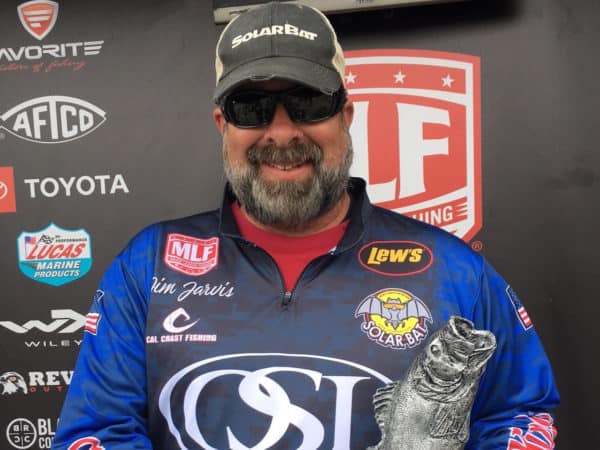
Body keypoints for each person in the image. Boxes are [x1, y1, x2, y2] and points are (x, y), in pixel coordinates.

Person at [52, 2, 559, 449]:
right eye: (251, 108)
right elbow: (97, 431)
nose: (281, 132)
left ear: (346, 115)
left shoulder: (452, 269)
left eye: (308, 103)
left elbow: (519, 416)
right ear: (222, 125)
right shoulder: (147, 266)